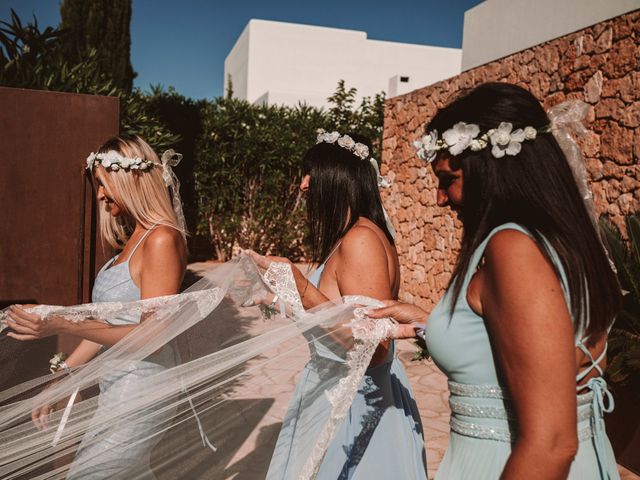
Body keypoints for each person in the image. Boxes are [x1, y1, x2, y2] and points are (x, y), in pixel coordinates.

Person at [369, 82, 622, 479]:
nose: (439, 198)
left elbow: (551, 443)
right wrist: (427, 322)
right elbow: (526, 346)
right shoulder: (564, 243)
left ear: (493, 169)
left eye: (448, 178)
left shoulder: (513, 249)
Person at [6, 134, 188, 479]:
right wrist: (62, 379)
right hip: (117, 387)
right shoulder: (130, 242)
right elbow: (107, 328)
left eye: (105, 185)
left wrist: (64, 324)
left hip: (143, 391)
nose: (100, 196)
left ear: (131, 179)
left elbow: (154, 335)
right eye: (98, 186)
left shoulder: (162, 239)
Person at [250, 131, 427, 479]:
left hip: (355, 403)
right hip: (330, 392)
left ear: (337, 178)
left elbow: (375, 346)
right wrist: (277, 299)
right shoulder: (345, 238)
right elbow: (336, 315)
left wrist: (300, 285)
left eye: (310, 174)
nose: (302, 185)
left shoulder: (361, 240)